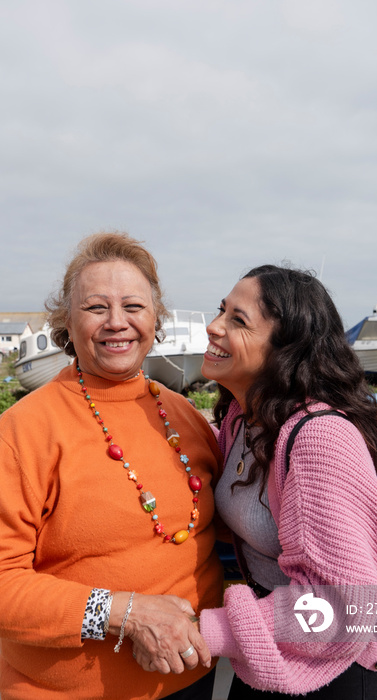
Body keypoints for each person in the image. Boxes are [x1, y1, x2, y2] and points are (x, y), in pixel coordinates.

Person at [0, 232, 224, 700]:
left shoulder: (183, 414)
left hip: (193, 681)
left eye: (134, 307)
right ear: (66, 322)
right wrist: (125, 613)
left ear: (156, 317)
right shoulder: (22, 430)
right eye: (96, 307)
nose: (116, 323)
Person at [199, 264, 377, 699]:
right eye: (220, 311)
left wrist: (208, 631)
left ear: (285, 349)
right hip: (276, 643)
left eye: (238, 320)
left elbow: (344, 607)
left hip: (341, 667)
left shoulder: (317, 439)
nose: (213, 327)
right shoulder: (241, 420)